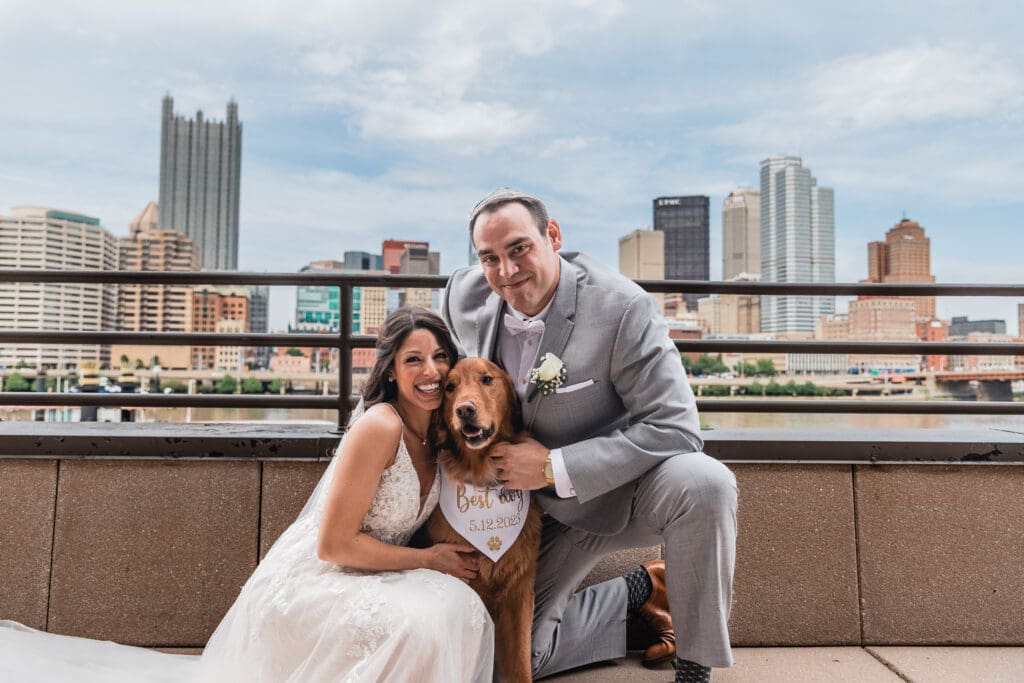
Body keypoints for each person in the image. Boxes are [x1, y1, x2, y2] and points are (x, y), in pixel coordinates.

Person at [0, 306, 494, 683]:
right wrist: (428, 561)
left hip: (374, 572)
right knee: (420, 623)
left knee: (459, 607)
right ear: (390, 370)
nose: (430, 371)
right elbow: (334, 546)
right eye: (414, 359)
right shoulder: (380, 426)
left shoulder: (440, 431)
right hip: (321, 576)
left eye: (440, 357)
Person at [442, 189, 738, 683]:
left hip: (613, 493)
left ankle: (694, 661)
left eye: (520, 249)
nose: (507, 271)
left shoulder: (621, 307)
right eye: (489, 258)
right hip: (518, 515)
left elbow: (676, 425)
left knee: (706, 485)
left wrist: (553, 467)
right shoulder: (463, 295)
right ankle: (641, 593)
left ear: (553, 235)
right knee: (509, 663)